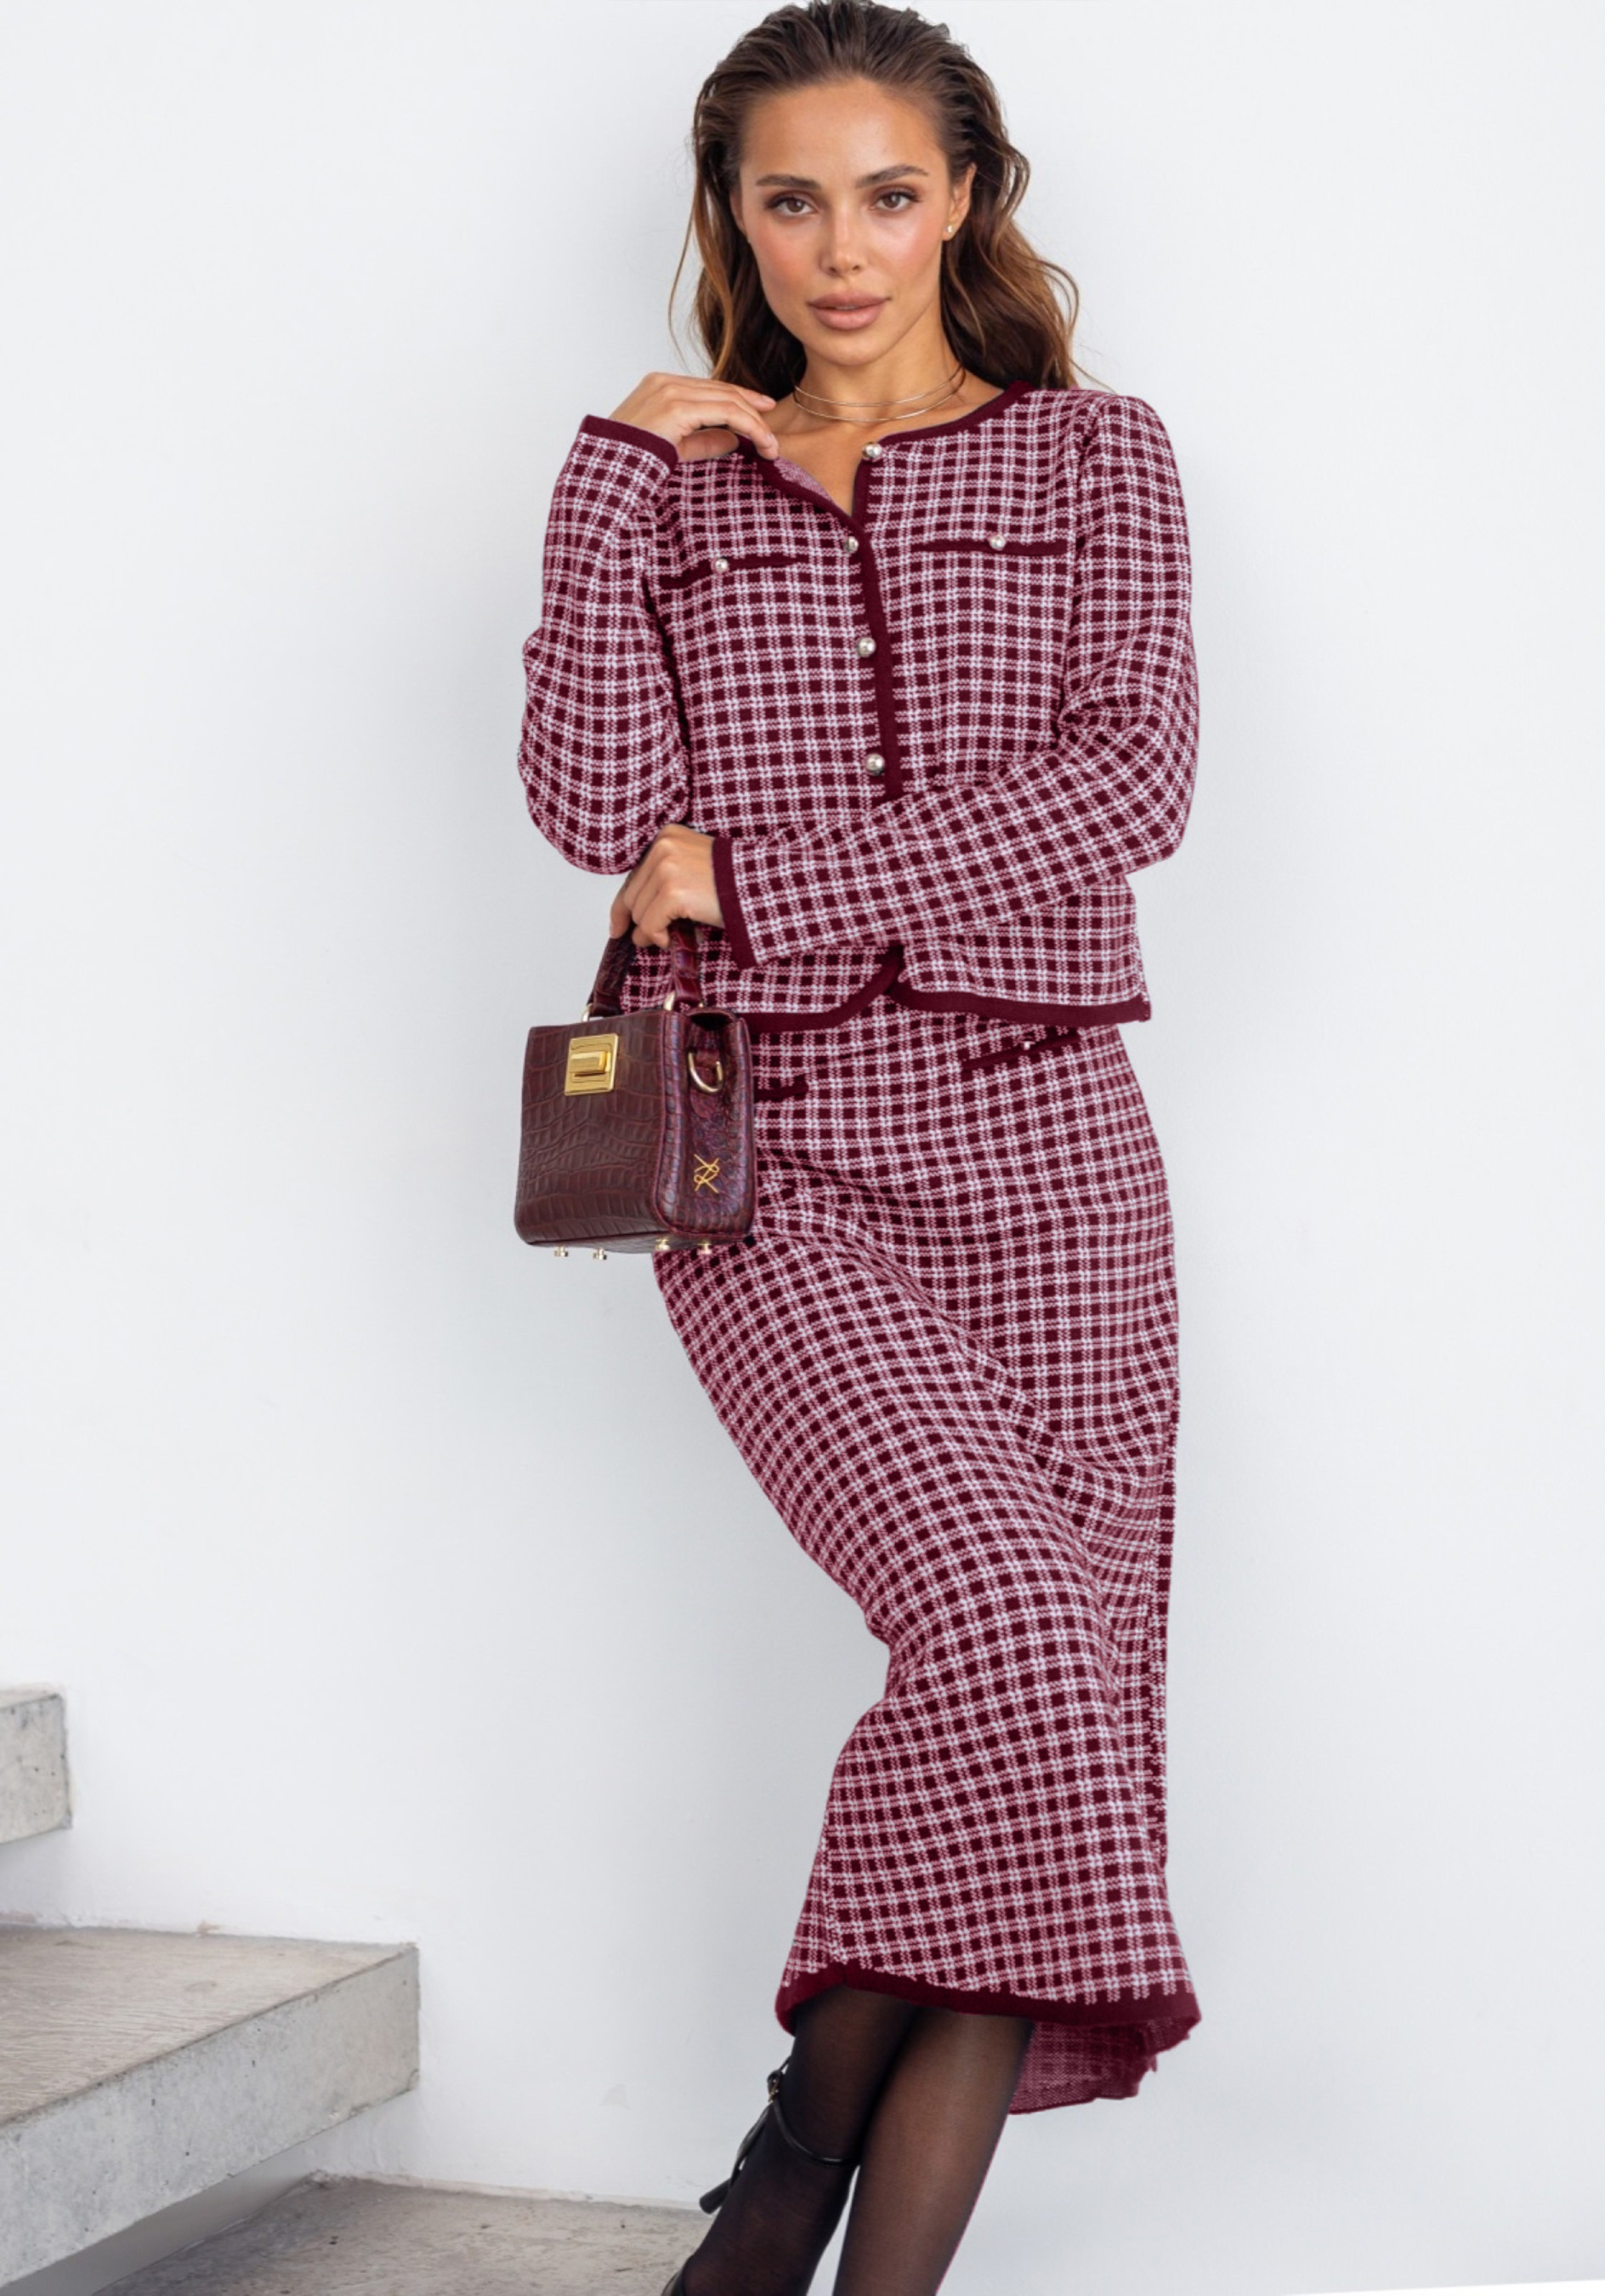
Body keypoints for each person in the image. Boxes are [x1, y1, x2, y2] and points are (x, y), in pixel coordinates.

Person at [517, 3, 1201, 2288]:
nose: (840, 249)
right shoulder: (674, 487)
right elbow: (596, 811)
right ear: (731, 218)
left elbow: (1126, 786)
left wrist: (763, 875)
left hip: (1055, 1155)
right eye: (789, 199)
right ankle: (795, 2163)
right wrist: (607, 481)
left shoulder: (1095, 458)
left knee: (1049, 1713)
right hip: (774, 1159)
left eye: (888, 195)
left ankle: (799, 2222)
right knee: (1006, 1630)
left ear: (965, 201)